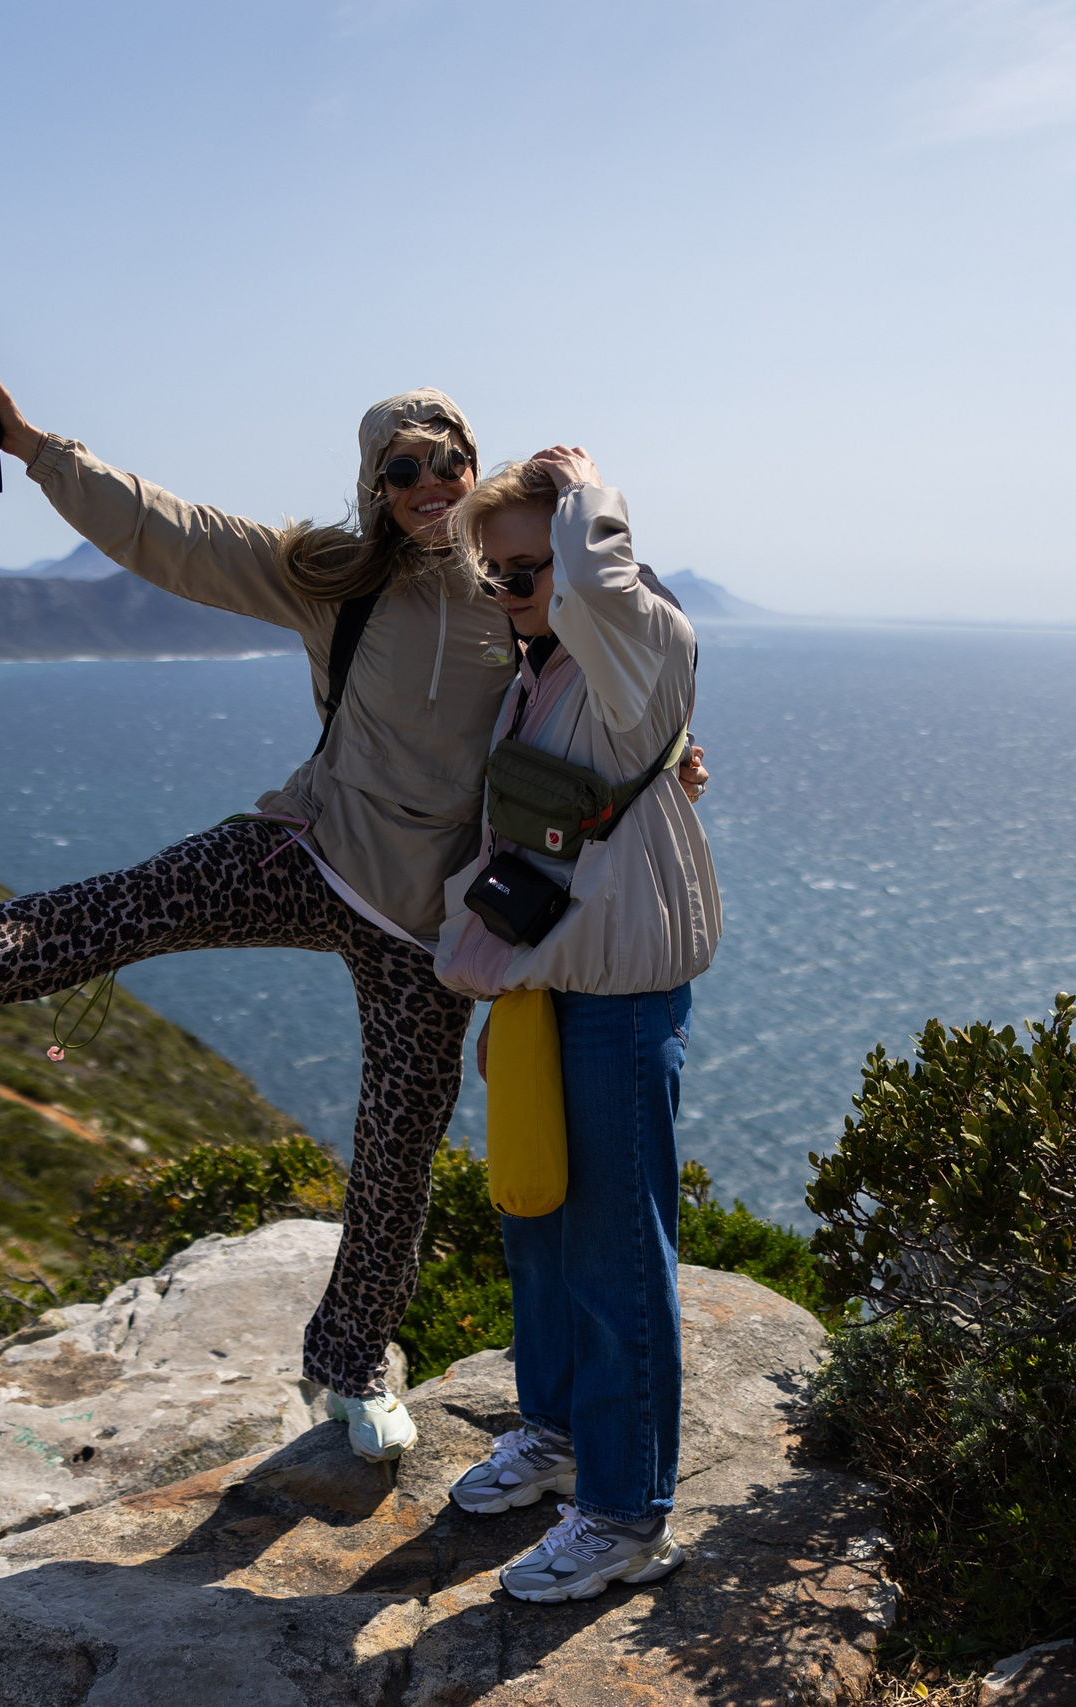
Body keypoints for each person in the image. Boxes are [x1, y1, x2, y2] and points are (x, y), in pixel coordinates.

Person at [0, 383, 704, 1465]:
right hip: (310, 849)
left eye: (450, 461)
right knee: (116, 909)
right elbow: (173, 533)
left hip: (431, 926)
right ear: (374, 485)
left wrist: (675, 756)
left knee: (396, 1156)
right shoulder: (333, 576)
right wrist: (30, 445)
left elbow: (619, 681)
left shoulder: (521, 583)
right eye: (402, 468)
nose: (430, 484)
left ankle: (350, 1368)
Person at [431, 449, 720, 1603]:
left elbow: (603, 588)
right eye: (493, 572)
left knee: (612, 1253)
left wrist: (585, 493)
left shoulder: (636, 652)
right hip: (543, 986)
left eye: (530, 567)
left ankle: (624, 1512)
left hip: (618, 997)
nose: (510, 590)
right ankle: (554, 1436)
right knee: (537, 1227)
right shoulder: (538, 670)